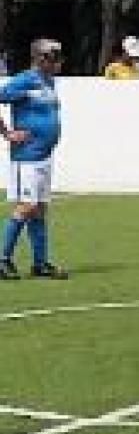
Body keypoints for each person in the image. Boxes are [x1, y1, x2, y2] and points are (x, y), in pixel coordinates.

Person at [0, 38, 68, 280]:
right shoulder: (25, 80)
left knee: (39, 209)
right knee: (26, 207)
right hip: (26, 156)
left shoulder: (48, 81)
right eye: (53, 57)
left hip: (43, 155)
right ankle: (3, 259)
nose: (59, 62)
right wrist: (7, 133)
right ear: (40, 58)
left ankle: (40, 263)